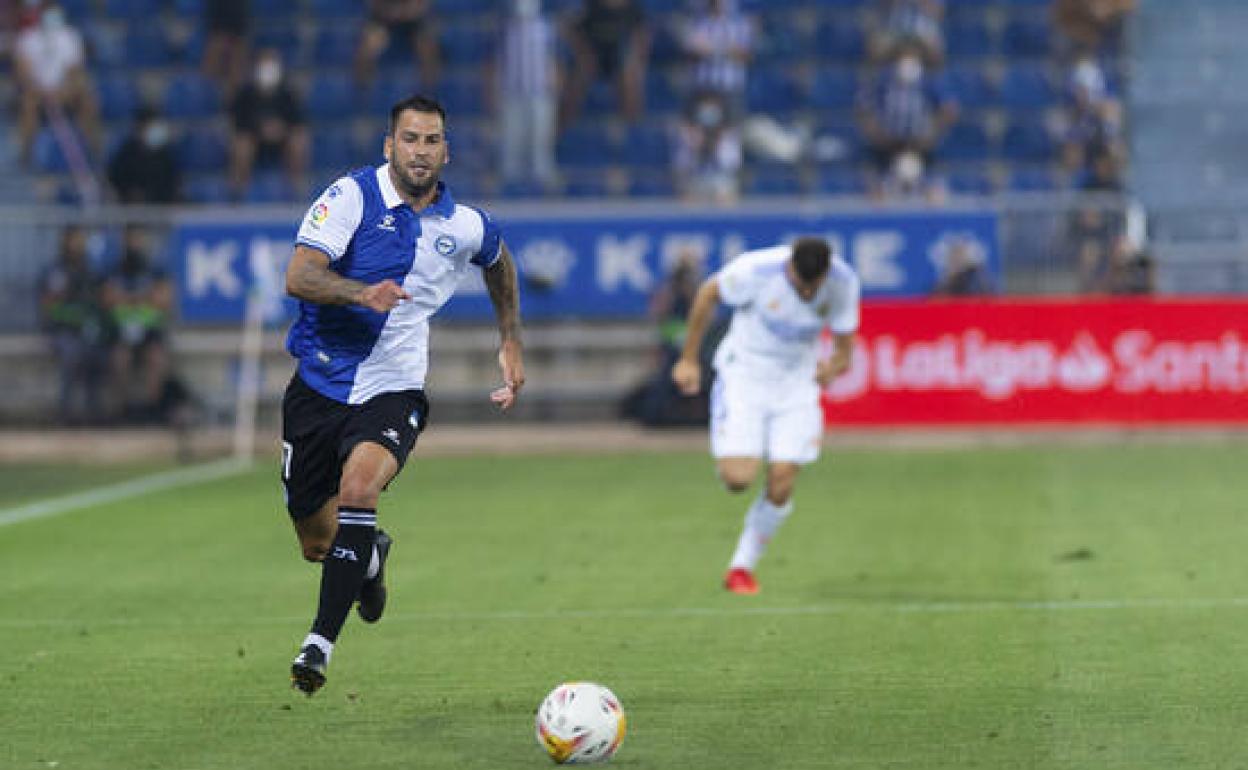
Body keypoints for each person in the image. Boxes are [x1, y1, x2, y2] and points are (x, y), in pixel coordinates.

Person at [282, 94, 525, 695]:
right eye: (410, 139)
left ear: (447, 150)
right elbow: (300, 275)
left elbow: (499, 264)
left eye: (432, 140)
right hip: (318, 386)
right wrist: (359, 293)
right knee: (317, 539)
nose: (421, 151)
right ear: (389, 146)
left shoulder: (465, 224)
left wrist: (510, 339)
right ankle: (369, 556)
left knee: (359, 487)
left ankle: (318, 646)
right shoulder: (349, 197)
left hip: (395, 387)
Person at [670, 238, 860, 595]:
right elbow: (708, 293)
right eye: (799, 285)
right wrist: (689, 358)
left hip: (796, 384)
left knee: (783, 479)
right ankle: (732, 448)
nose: (806, 292)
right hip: (744, 375)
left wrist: (831, 368)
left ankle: (741, 567)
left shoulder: (843, 283)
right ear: (789, 267)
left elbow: (844, 350)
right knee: (738, 479)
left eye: (812, 287)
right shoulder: (755, 270)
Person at [38, 225, 111, 425]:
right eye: (73, 240)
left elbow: (103, 299)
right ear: (65, 242)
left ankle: (94, 411)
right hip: (61, 330)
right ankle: (65, 412)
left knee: (98, 353)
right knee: (72, 353)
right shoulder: (55, 269)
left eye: (81, 240)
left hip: (87, 329)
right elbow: (48, 306)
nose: (77, 245)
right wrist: (67, 290)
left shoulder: (90, 269)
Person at [13, 1, 100, 165]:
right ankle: (26, 154)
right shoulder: (28, 39)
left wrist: (65, 90)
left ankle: (92, 150)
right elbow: (23, 73)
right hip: (37, 92)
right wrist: (41, 90)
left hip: (65, 91)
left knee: (89, 101)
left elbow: (75, 70)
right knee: (28, 104)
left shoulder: (70, 36)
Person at [102, 225, 174, 422]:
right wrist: (142, 297)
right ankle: (122, 411)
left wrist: (129, 298)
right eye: (130, 239)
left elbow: (164, 299)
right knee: (119, 359)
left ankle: (153, 409)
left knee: (156, 359)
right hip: (121, 330)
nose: (134, 243)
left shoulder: (154, 268)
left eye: (138, 239)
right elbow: (108, 298)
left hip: (149, 329)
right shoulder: (115, 269)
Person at [228, 48, 309, 200]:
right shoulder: (246, 94)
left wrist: (282, 129)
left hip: (282, 141)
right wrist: (259, 129)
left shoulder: (287, 94)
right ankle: (237, 192)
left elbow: (298, 121)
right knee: (242, 146)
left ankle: (297, 190)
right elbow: (238, 122)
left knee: (298, 140)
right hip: (253, 140)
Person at [495, 0, 559, 188]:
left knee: (541, 138)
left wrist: (554, 85)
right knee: (511, 138)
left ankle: (543, 180)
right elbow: (495, 61)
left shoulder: (546, 27)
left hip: (540, 92)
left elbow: (554, 57)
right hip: (511, 92)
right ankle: (510, 180)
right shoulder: (504, 29)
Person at [560, 0, 651, 128]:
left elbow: (642, 36)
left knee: (631, 77)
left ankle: (632, 131)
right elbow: (569, 29)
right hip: (590, 55)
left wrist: (636, 57)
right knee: (577, 78)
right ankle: (563, 128)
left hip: (618, 56)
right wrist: (582, 52)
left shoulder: (632, 8)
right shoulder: (588, 6)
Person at [353, 0, 441, 91]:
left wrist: (403, 12)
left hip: (413, 18)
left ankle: (429, 92)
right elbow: (372, 4)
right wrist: (390, 12)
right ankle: (364, 92)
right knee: (368, 46)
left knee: (427, 47)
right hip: (383, 18)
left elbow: (422, 5)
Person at [106, 105, 182, 204]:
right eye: (151, 125)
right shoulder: (126, 153)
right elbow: (116, 181)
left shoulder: (165, 154)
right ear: (140, 127)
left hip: (161, 210)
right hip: (132, 211)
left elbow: (172, 183)